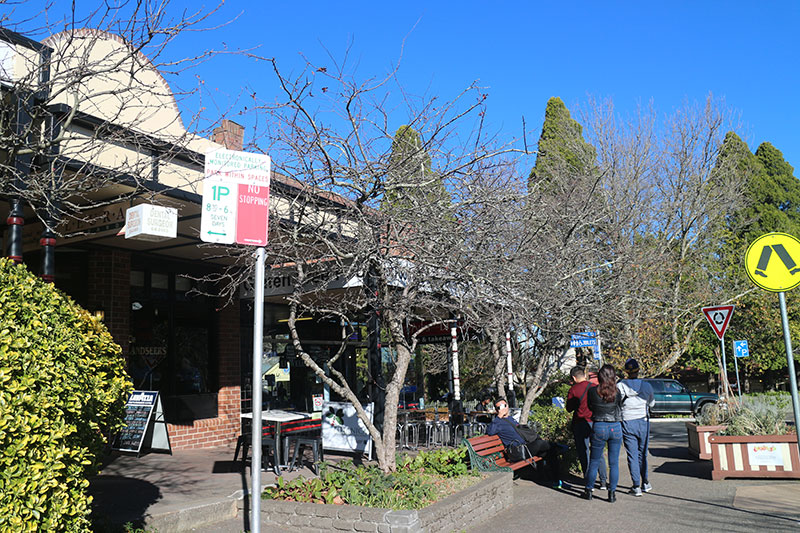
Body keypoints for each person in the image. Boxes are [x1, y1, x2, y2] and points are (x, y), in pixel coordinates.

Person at [487, 398, 563, 487]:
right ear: (496, 410)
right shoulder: (498, 422)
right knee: (541, 444)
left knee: (550, 452)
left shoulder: (510, 419)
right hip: (518, 451)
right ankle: (557, 445)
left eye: (504, 405)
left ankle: (556, 481)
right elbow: (490, 431)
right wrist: (499, 417)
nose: (502, 408)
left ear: (507, 406)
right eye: (499, 407)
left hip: (526, 446)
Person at [583, 364, 623, 502]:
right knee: (614, 463)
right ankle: (612, 493)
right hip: (615, 426)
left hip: (599, 425)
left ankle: (588, 490)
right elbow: (619, 407)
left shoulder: (592, 391)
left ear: (599, 376)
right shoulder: (617, 392)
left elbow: (589, 406)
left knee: (594, 460)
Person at [618, 358, 655, 496]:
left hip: (627, 421)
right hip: (643, 421)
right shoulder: (646, 386)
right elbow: (652, 404)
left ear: (626, 372)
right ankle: (645, 482)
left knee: (632, 455)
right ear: (638, 370)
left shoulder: (621, 386)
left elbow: (617, 402)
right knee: (642, 454)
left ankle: (636, 486)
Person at [566, 367, 607, 491]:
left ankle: (589, 481)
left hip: (580, 423)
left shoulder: (573, 390)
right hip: (595, 422)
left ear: (573, 378)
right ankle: (604, 481)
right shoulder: (594, 387)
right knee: (598, 452)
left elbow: (569, 408)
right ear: (584, 374)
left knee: (584, 452)